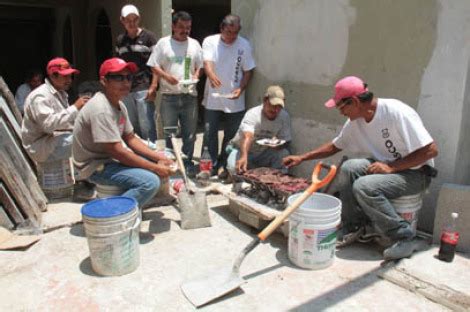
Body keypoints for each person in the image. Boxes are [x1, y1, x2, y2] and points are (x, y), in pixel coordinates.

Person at [283, 76, 438, 260]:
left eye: (341, 107)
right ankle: (354, 227)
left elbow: (431, 150)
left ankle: (405, 237)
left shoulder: (396, 112)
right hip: (390, 169)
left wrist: (391, 167)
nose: (340, 112)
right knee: (349, 167)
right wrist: (302, 157)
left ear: (355, 101)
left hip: (417, 173)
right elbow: (335, 146)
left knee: (364, 186)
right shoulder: (355, 122)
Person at [72, 57, 175, 208]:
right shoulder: (101, 109)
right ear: (104, 81)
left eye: (128, 77)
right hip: (94, 167)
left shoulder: (119, 104)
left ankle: (132, 203)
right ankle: (112, 215)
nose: (126, 82)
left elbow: (131, 138)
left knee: (159, 158)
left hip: (108, 160)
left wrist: (159, 157)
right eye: (118, 77)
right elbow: (118, 152)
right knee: (149, 182)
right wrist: (154, 167)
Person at [147, 11, 203, 176]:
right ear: (173, 26)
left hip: (189, 96)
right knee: (169, 134)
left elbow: (200, 65)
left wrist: (196, 75)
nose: (185, 30)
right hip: (169, 96)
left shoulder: (194, 44)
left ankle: (187, 163)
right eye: (181, 27)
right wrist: (165, 76)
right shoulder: (163, 43)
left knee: (190, 134)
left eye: (188, 27)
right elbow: (153, 65)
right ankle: (171, 165)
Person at [202, 14, 256, 178]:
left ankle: (224, 165)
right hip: (213, 97)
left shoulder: (244, 44)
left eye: (235, 32)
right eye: (228, 32)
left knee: (231, 136)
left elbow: (248, 70)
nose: (232, 36)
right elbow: (207, 62)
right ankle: (210, 166)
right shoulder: (210, 41)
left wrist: (241, 88)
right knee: (209, 133)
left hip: (235, 99)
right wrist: (211, 75)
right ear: (222, 29)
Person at [21, 57, 89, 164]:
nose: (69, 80)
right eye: (65, 76)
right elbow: (49, 125)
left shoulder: (61, 93)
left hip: (54, 139)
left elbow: (66, 122)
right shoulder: (40, 96)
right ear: (53, 76)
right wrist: (75, 107)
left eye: (70, 76)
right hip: (40, 146)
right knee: (88, 140)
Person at [115, 4, 158, 142]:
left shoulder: (149, 37)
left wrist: (153, 86)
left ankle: (152, 158)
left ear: (138, 19)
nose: (131, 23)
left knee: (147, 126)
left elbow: (156, 64)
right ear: (122, 20)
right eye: (128, 20)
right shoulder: (120, 41)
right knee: (131, 126)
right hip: (126, 89)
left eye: (134, 19)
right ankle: (138, 158)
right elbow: (118, 64)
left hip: (144, 87)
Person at [227, 85, 291, 175]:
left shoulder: (284, 117)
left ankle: (277, 179)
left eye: (279, 107)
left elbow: (286, 140)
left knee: (284, 153)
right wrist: (244, 156)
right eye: (273, 105)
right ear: (265, 100)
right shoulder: (253, 114)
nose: (275, 110)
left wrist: (278, 145)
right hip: (243, 151)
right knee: (233, 168)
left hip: (263, 153)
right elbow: (247, 136)